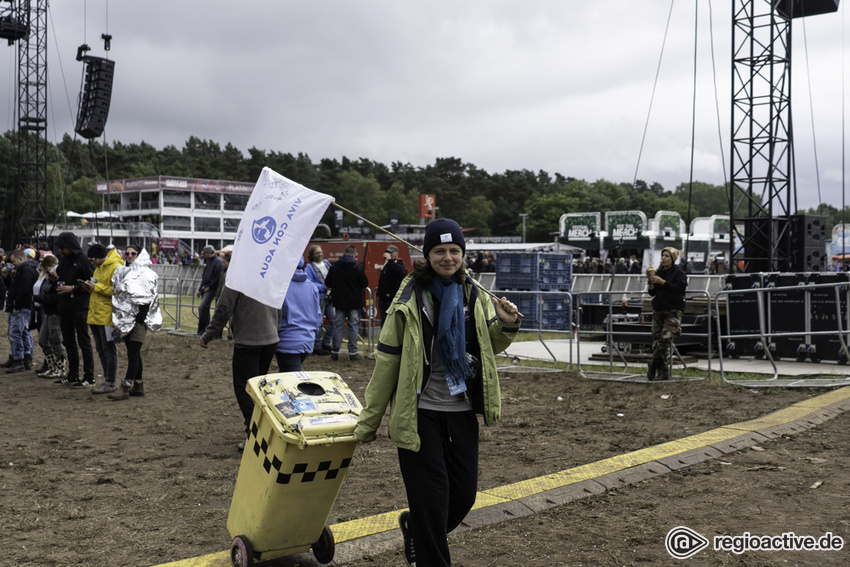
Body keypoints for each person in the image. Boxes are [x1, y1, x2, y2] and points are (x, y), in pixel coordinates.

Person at [353, 218, 521, 567]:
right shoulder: (409, 298)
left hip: (461, 409)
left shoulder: (474, 293)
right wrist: (368, 423)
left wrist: (505, 324)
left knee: (463, 495)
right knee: (432, 498)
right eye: (439, 251)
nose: (448, 258)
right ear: (426, 255)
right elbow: (387, 363)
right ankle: (429, 547)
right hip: (420, 413)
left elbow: (487, 346)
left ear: (463, 254)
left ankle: (418, 528)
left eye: (454, 251)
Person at [200, 274, 281, 451]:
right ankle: (263, 431)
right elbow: (279, 305)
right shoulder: (268, 275)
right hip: (270, 339)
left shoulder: (238, 277)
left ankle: (255, 436)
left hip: (249, 341)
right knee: (260, 391)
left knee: (246, 391)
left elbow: (223, 309)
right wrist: (275, 330)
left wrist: (208, 335)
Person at [108, 245, 162, 401]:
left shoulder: (145, 273)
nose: (130, 255)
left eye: (133, 253)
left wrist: (138, 320)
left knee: (133, 354)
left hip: (138, 321)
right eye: (127, 253)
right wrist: (120, 322)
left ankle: (125, 387)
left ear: (139, 255)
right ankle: (138, 385)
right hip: (126, 320)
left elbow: (145, 299)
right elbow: (119, 298)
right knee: (135, 354)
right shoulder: (123, 272)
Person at [54, 232, 96, 386]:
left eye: (62, 247)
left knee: (84, 341)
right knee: (69, 342)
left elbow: (91, 282)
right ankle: (72, 374)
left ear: (70, 245)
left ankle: (89, 376)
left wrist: (73, 288)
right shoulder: (64, 260)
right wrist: (55, 278)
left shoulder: (83, 260)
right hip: (64, 306)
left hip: (79, 306)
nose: (60, 250)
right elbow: (60, 276)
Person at [83, 243, 123, 394]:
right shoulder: (99, 267)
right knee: (100, 349)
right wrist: (90, 287)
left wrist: (96, 288)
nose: (91, 262)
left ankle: (111, 382)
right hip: (96, 315)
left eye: (92, 259)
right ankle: (107, 379)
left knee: (109, 349)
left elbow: (117, 291)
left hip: (108, 316)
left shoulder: (115, 267)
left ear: (99, 257)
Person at [646, 246, 688, 381]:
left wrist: (662, 282)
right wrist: (651, 283)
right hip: (658, 309)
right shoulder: (659, 272)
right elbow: (653, 292)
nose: (663, 258)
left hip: (673, 310)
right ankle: (662, 372)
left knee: (666, 339)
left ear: (673, 259)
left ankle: (652, 363)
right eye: (662, 256)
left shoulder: (679, 273)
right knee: (657, 341)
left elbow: (679, 288)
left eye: (667, 256)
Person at [275, 257, 322, 372]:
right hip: (307, 340)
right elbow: (318, 316)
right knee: (288, 376)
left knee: (290, 382)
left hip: (287, 341)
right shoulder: (312, 286)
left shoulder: (280, 287)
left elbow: (276, 316)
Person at [325, 244, 369, 361]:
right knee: (353, 326)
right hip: (354, 302)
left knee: (338, 326)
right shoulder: (357, 267)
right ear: (354, 254)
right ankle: (353, 353)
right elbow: (364, 283)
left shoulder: (335, 266)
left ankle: (335, 351)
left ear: (344, 253)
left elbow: (328, 282)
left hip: (339, 301)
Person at [5, 248, 39, 373]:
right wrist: (7, 277)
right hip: (23, 306)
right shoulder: (25, 269)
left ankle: (18, 359)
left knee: (16, 333)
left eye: (14, 262)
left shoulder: (26, 271)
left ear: (20, 258)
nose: (12, 264)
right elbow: (14, 288)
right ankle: (26, 358)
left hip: (21, 307)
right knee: (24, 332)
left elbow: (24, 290)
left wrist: (16, 305)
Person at [33, 254, 66, 379]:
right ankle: (52, 367)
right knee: (43, 340)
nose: (46, 273)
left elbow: (56, 297)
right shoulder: (48, 280)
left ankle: (60, 368)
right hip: (48, 312)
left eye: (46, 270)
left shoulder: (59, 279)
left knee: (56, 340)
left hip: (55, 313)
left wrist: (39, 298)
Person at [304, 244, 335, 355]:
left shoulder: (327, 263)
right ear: (312, 255)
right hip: (319, 298)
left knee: (334, 321)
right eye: (317, 253)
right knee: (318, 322)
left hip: (330, 297)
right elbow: (309, 283)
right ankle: (316, 346)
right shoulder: (309, 267)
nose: (320, 254)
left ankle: (326, 343)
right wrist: (324, 287)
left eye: (320, 252)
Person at [376, 244, 407, 325]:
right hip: (382, 298)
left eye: (390, 252)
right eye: (387, 252)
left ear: (396, 254)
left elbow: (401, 272)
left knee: (392, 323)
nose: (388, 254)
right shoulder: (387, 264)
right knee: (384, 321)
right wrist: (378, 293)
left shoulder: (399, 263)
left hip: (391, 298)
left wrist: (390, 260)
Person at [196, 245, 223, 335]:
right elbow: (205, 277)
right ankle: (204, 330)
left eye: (204, 253)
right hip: (206, 288)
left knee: (202, 307)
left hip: (211, 289)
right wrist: (200, 289)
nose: (203, 255)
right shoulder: (210, 262)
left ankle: (203, 330)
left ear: (208, 252)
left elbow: (218, 277)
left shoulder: (217, 262)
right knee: (204, 309)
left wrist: (210, 287)